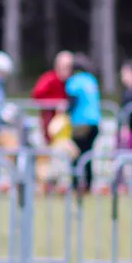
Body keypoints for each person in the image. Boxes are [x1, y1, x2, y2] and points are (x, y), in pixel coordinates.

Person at [63, 53, 103, 192]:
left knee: (75, 154)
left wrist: (63, 114)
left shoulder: (74, 81)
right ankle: (89, 184)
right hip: (95, 122)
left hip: (80, 123)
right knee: (88, 155)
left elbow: (72, 102)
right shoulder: (91, 80)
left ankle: (76, 184)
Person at [31, 50, 71, 146]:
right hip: (49, 123)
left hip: (66, 125)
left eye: (70, 67)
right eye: (65, 67)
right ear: (58, 65)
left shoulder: (71, 82)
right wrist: (55, 104)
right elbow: (36, 95)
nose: (68, 70)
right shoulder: (49, 79)